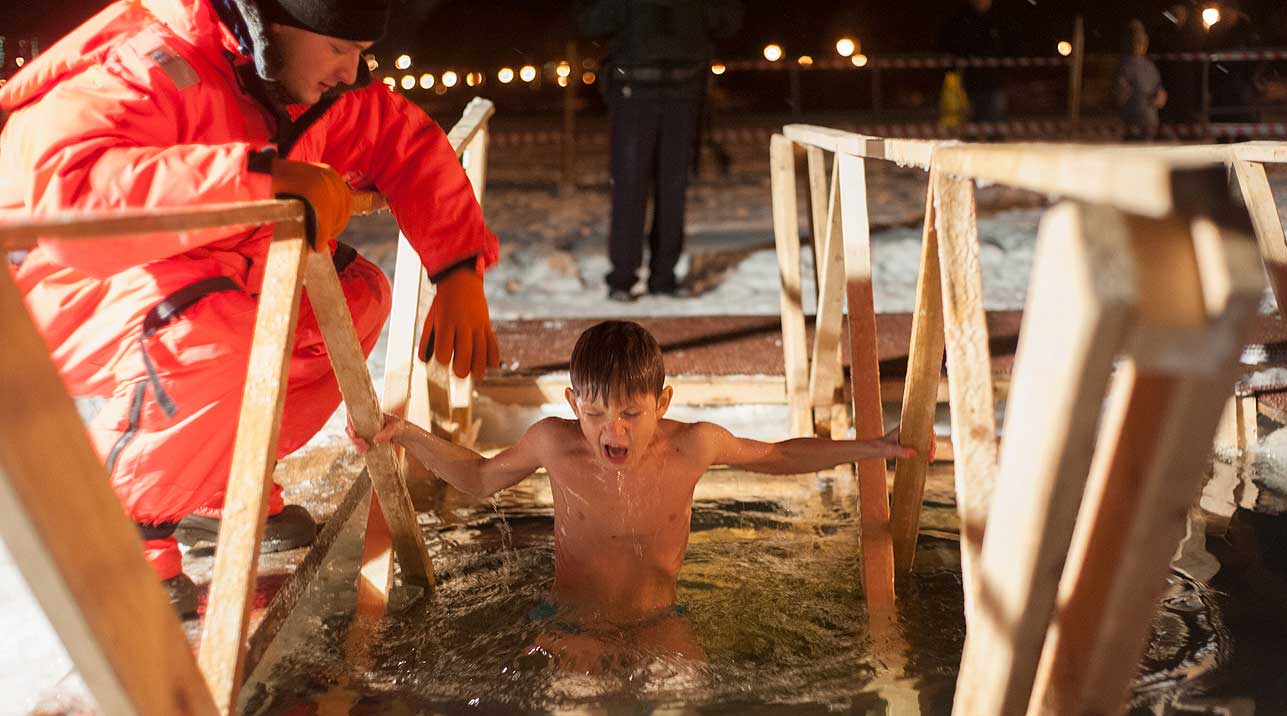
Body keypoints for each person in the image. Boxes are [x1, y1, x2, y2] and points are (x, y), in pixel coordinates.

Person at [0, 0, 500, 615]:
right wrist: (262, 176)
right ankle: (117, 529)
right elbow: (69, 188)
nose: (350, 72)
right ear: (275, 24)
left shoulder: (304, 85)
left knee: (354, 299)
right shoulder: (151, 63)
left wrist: (458, 270)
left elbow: (406, 142)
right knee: (219, 334)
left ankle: (219, 485)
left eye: (361, 53)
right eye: (339, 49)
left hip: (206, 277)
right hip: (61, 287)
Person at [350, 321, 927, 653]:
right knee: (575, 710)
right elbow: (478, 479)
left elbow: (778, 456)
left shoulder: (693, 446)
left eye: (630, 412)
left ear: (663, 403)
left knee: (681, 704)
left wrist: (872, 447)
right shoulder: (554, 443)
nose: (613, 430)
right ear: (573, 402)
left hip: (660, 621)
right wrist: (407, 435)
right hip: (570, 620)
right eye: (595, 413)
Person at [574, 0, 744, 302]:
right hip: (648, 86)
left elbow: (727, 20)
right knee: (644, 186)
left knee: (656, 187)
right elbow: (591, 20)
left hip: (666, 86)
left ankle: (646, 277)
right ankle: (636, 277)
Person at [940, 0, 1013, 127]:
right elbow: (948, 43)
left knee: (996, 117)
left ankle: (994, 137)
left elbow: (1011, 43)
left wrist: (1005, 66)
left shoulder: (1000, 18)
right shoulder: (962, 18)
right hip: (971, 78)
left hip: (995, 79)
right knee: (972, 118)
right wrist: (953, 66)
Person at [1115, 20, 1168, 141]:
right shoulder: (1124, 66)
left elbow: (1160, 91)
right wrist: (1121, 93)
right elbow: (1118, 96)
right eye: (1134, 41)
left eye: (1140, 41)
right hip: (1132, 123)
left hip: (1150, 123)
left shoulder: (1150, 67)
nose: (1137, 45)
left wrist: (1160, 97)